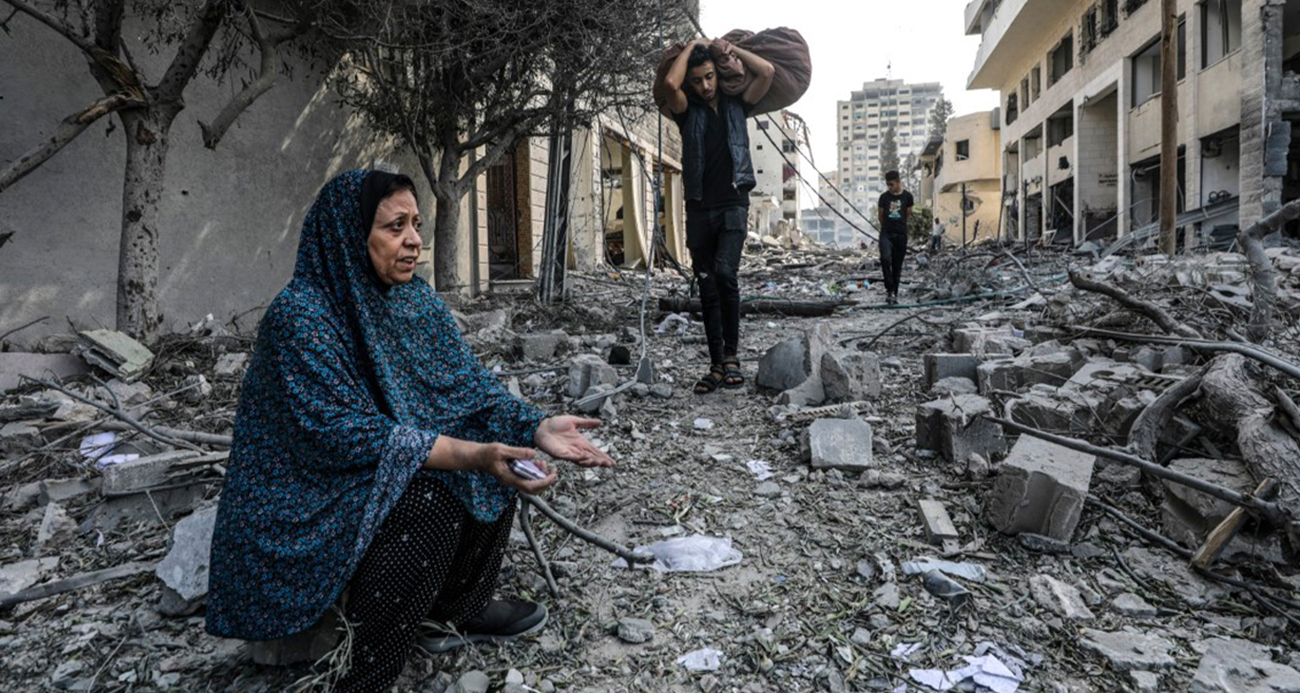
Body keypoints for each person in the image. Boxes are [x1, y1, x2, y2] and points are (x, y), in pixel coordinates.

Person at [206, 170, 615, 693]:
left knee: (499, 463)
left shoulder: (413, 301)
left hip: (374, 467)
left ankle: (455, 610)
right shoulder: (302, 316)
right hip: (306, 495)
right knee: (430, 497)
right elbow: (340, 436)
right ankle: (366, 672)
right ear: (350, 235)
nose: (416, 240)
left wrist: (535, 425)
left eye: (416, 224)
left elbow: (469, 390)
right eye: (395, 226)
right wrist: (467, 454)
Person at [661, 38, 774, 394]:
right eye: (697, 80)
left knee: (726, 273)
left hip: (733, 204)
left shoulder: (738, 103)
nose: (705, 86)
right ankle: (715, 365)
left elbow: (766, 71)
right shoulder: (685, 111)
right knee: (707, 286)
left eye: (709, 77)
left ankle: (732, 358)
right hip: (698, 208)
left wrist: (726, 49)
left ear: (717, 74)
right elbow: (668, 84)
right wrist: (694, 44)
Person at [877, 170, 914, 305]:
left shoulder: (908, 197)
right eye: (888, 185)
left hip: (901, 234)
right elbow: (880, 216)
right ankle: (889, 289)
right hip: (886, 233)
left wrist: (899, 225)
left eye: (892, 184)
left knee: (897, 265)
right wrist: (888, 227)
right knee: (885, 258)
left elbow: (908, 214)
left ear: (898, 182)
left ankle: (894, 293)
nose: (890, 187)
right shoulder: (884, 198)